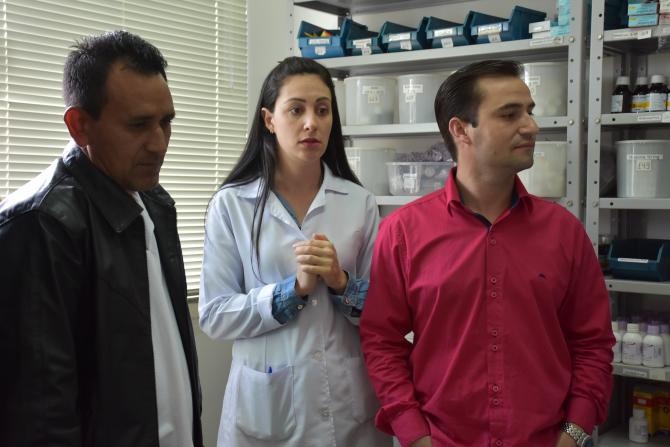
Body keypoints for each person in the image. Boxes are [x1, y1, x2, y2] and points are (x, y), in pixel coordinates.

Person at [360, 60, 615, 447]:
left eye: (529, 111)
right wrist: (414, 434)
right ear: (461, 129)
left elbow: (592, 342)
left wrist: (575, 432)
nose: (531, 126)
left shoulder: (564, 232)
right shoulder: (402, 233)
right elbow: (382, 340)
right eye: (510, 114)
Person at [0, 31, 203, 447]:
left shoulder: (154, 201)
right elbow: (41, 417)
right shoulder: (39, 225)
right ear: (80, 126)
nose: (160, 143)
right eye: (139, 125)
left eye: (166, 122)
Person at [199, 56, 391, 447]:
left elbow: (385, 312)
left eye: (322, 110)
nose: (311, 123)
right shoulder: (232, 204)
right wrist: (291, 292)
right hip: (265, 409)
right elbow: (215, 315)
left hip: (348, 407)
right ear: (269, 120)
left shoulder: (359, 202)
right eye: (296, 110)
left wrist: (341, 283)